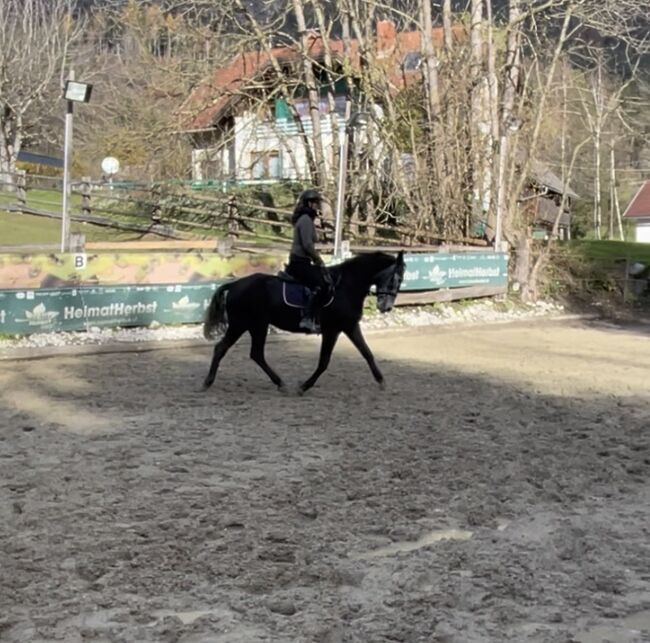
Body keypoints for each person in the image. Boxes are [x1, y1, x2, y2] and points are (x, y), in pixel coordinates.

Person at [287, 189, 332, 333]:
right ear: (310, 204)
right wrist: (318, 259)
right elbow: (307, 245)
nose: (318, 206)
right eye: (317, 203)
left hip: (301, 261)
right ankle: (307, 317)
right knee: (321, 285)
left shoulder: (307, 219)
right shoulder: (306, 220)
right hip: (300, 262)